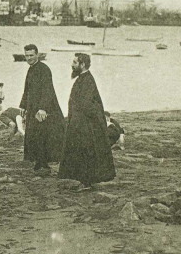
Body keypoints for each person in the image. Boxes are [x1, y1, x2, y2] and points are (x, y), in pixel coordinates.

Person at [58, 53, 116, 188]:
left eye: (75, 62)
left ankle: (87, 182)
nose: (72, 65)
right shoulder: (82, 79)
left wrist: (80, 120)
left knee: (86, 152)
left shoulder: (88, 80)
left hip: (86, 125)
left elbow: (87, 104)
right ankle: (83, 181)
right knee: (80, 151)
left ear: (82, 64)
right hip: (79, 123)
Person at [20, 44, 65, 175]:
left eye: (31, 55)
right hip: (32, 107)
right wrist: (23, 105)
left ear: (37, 55)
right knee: (34, 135)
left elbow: (47, 90)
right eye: (27, 56)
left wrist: (43, 108)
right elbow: (27, 89)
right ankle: (39, 162)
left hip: (44, 109)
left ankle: (44, 164)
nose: (29, 58)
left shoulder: (44, 69)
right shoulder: (31, 69)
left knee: (44, 136)